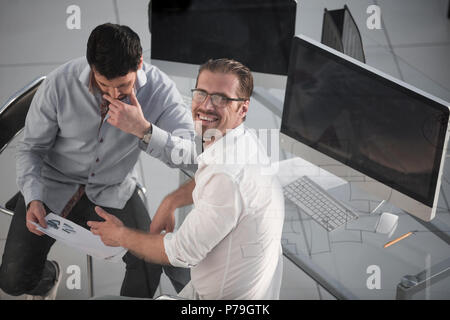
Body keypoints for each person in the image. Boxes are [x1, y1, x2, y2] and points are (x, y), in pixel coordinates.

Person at [0, 23, 194, 299]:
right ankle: (49, 277)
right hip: (52, 184)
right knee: (12, 280)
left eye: (123, 86)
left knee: (149, 263)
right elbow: (31, 149)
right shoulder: (60, 83)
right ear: (92, 67)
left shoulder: (161, 90)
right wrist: (32, 197)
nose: (114, 95)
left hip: (113, 188)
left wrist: (144, 130)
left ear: (139, 63)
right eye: (104, 85)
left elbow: (193, 157)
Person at [88, 58, 285, 299]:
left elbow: (180, 252)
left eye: (221, 98)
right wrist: (172, 200)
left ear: (242, 108)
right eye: (201, 93)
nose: (206, 106)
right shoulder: (243, 141)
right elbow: (207, 170)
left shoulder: (226, 176)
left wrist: (120, 235)